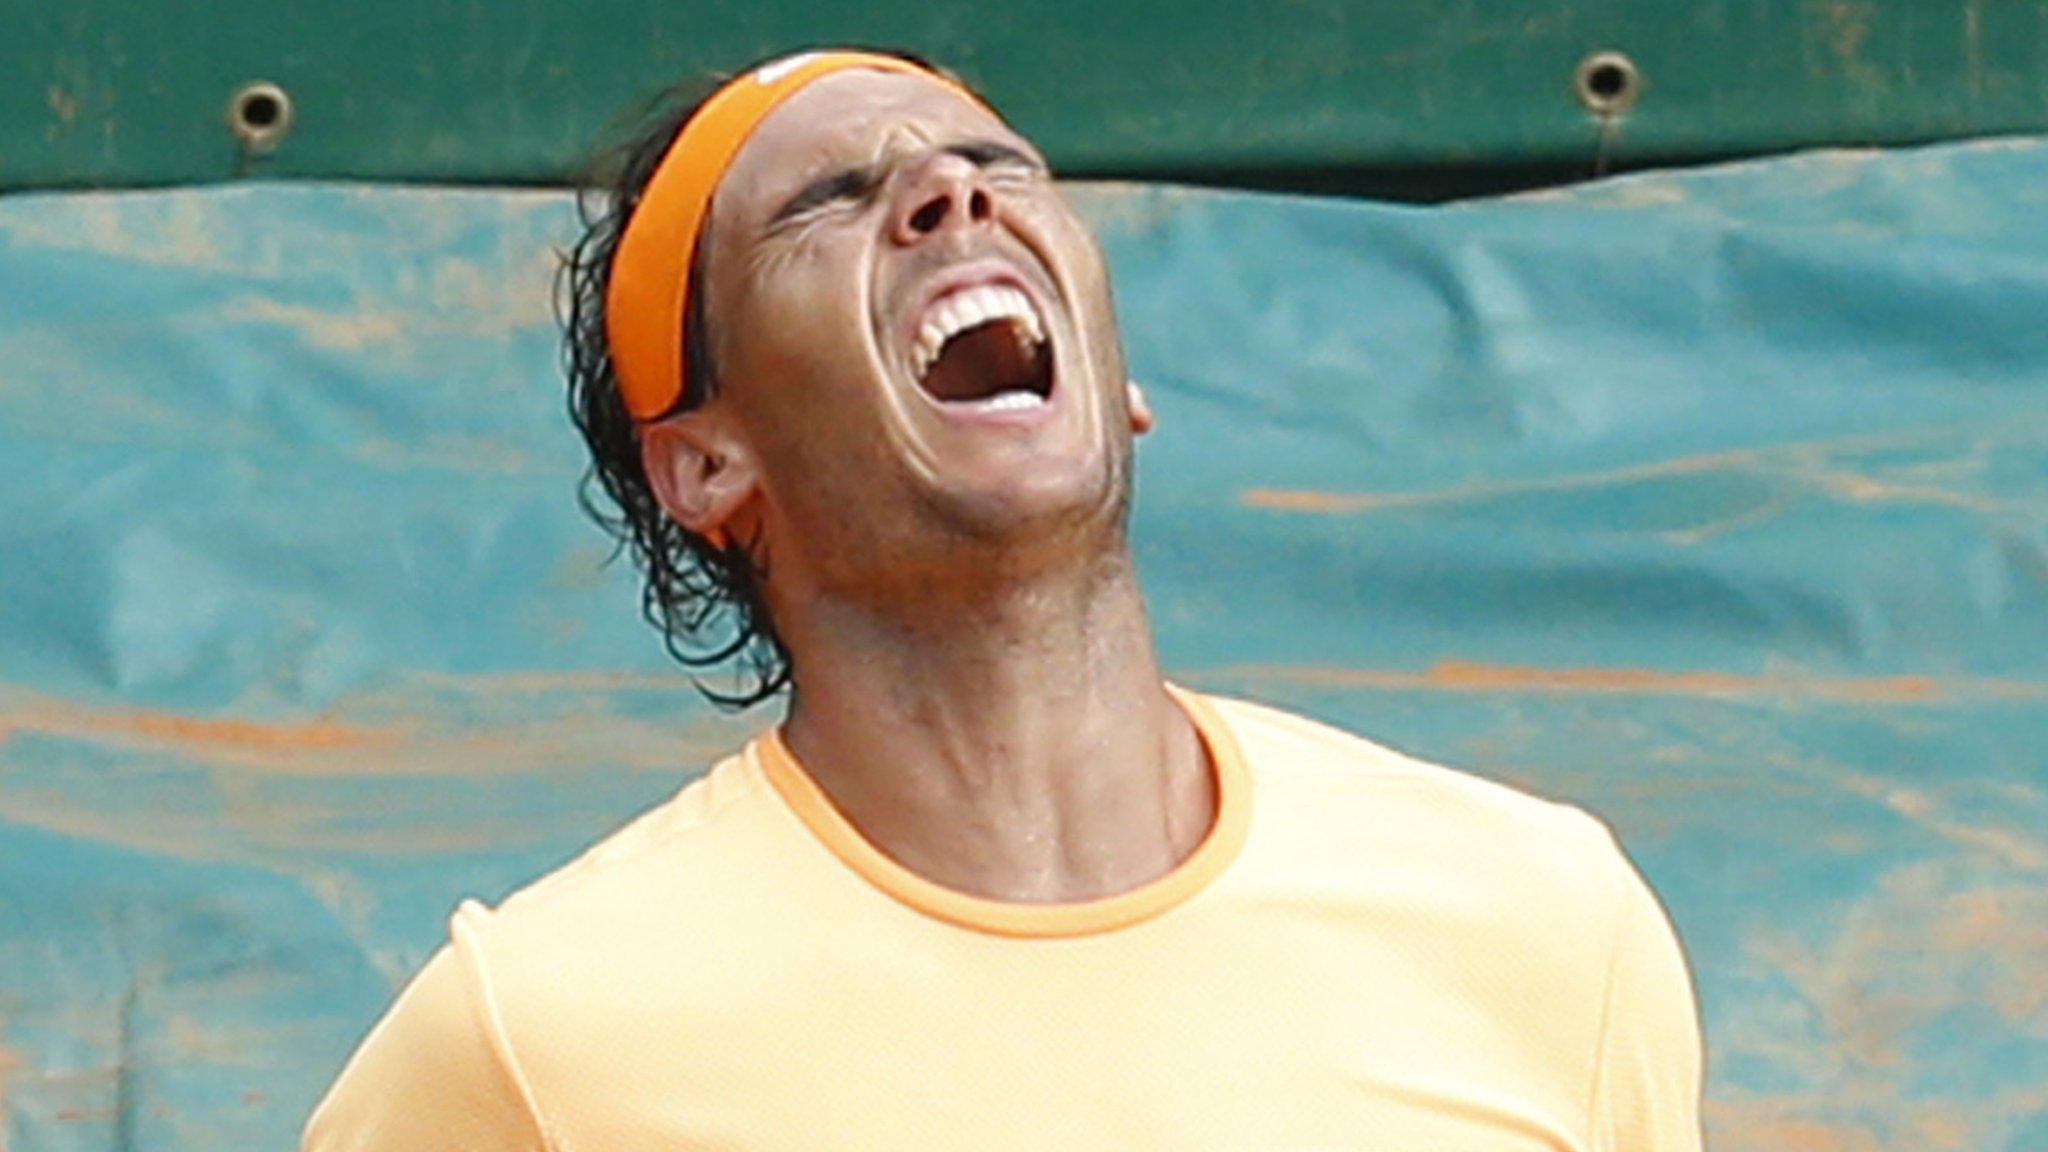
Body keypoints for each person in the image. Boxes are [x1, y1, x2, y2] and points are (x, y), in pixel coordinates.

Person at [302, 48, 1705, 1152]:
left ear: (1123, 386)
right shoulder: (530, 1048)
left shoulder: (1542, 924)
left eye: (994, 164)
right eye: (827, 201)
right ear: (706, 464)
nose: (949, 193)